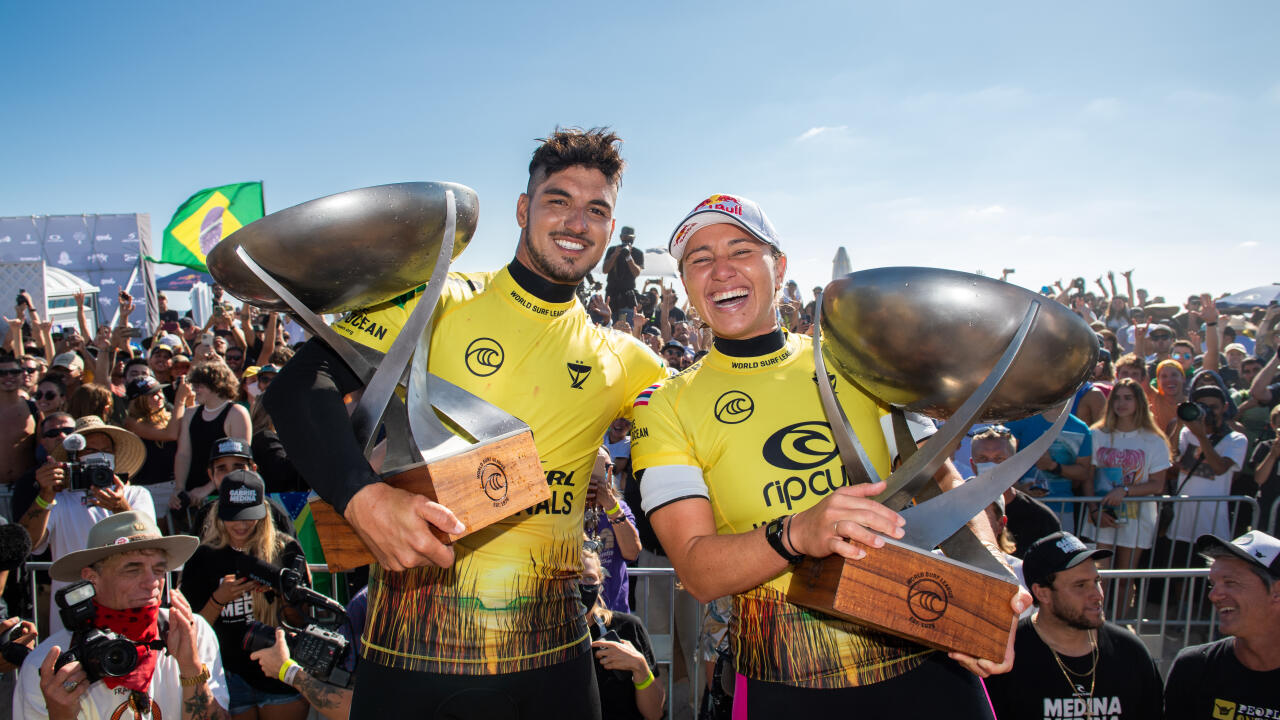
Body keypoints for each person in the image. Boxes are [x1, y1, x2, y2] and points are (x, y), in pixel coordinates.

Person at [265, 127, 667, 719]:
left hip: (556, 658)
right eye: (558, 200)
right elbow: (299, 387)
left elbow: (708, 423)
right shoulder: (438, 300)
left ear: (610, 229)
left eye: (597, 210)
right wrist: (364, 499)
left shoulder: (628, 359)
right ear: (524, 209)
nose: (577, 221)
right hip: (413, 650)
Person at [632, 193, 1026, 717]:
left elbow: (947, 483)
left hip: (926, 660)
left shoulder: (859, 361)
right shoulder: (665, 407)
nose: (721, 270)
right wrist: (798, 532)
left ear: (780, 266)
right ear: (686, 286)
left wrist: (992, 574)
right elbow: (699, 571)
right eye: (700, 259)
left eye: (741, 249)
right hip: (787, 679)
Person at [14, 511, 228, 719]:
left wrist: (191, 668)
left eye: (159, 570)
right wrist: (60, 714)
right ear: (91, 578)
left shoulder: (193, 632)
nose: (151, 583)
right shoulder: (47, 666)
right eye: (132, 570)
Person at [985, 531, 1163, 719]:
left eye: (1097, 581)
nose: (1097, 594)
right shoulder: (1006, 657)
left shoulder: (1131, 653)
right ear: (1042, 593)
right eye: (1080, 585)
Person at [180, 470, 309, 720]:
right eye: (233, 517)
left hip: (279, 673)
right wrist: (219, 599)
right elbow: (192, 633)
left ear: (263, 512)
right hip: (228, 676)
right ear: (219, 513)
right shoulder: (202, 557)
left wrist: (281, 592)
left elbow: (301, 622)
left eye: (248, 517)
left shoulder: (286, 550)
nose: (241, 525)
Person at [18, 415, 157, 634]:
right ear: (75, 458)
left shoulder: (136, 495)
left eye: (106, 450)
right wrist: (45, 495)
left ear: (115, 455)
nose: (99, 457)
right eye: (89, 451)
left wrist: (120, 508)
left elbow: (152, 546)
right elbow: (29, 545)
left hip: (129, 610)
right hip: (73, 614)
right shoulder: (57, 500)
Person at [1164, 530, 1280, 719]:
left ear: (1277, 592)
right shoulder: (1194, 668)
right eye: (1213, 584)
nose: (1213, 595)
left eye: (1230, 582)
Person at [1079, 378, 1172, 612]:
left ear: (1139, 402)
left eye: (1128, 398)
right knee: (1099, 577)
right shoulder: (1096, 434)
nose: (1122, 403)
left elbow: (1157, 484)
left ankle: (1118, 624)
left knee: (1124, 577)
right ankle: (1096, 622)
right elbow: (1088, 476)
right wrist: (1094, 510)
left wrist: (1125, 491)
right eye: (1117, 398)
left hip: (1137, 518)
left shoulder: (1154, 439)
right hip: (1102, 515)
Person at [1167, 386, 1248, 566]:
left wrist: (1202, 437)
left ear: (1225, 407)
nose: (1209, 411)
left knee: (1204, 586)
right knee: (1176, 580)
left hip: (1212, 526)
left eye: (1214, 406)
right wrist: (1180, 423)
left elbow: (1219, 468)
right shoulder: (1187, 432)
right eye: (1203, 406)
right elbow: (1172, 458)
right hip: (1181, 523)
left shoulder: (1236, 439)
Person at [582, 546, 664, 720]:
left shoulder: (627, 627)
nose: (581, 586)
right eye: (573, 578)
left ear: (601, 583)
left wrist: (640, 667)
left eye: (589, 578)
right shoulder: (540, 636)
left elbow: (655, 713)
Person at [173, 362, 251, 513]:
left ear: (216, 385)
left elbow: (241, 461)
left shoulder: (237, 413)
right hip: (193, 496)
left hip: (227, 494)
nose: (194, 390)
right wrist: (179, 489)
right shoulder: (190, 413)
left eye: (199, 385)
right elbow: (183, 454)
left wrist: (207, 489)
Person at [123, 375, 192, 520]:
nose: (160, 396)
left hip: (178, 485)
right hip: (152, 488)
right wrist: (180, 399)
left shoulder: (169, 414)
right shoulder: (131, 422)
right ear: (139, 400)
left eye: (160, 391)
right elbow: (171, 434)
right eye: (153, 394)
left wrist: (189, 400)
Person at [585, 447, 640, 614]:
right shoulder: (567, 509)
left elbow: (632, 552)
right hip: (577, 613)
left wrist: (610, 505)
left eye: (609, 467)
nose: (605, 473)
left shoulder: (620, 508)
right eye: (596, 467)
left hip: (614, 612)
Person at [0, 355, 38, 486]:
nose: (9, 376)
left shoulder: (33, 409)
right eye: (2, 373)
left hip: (25, 488)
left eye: (14, 372)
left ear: (22, 375)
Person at [603, 225, 644, 326]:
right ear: (621, 237)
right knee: (610, 327)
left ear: (634, 238)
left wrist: (629, 257)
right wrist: (615, 255)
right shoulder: (612, 250)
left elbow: (636, 273)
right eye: (625, 238)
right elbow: (605, 270)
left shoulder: (637, 253)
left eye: (630, 238)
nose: (627, 240)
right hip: (612, 297)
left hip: (627, 300)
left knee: (623, 327)